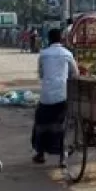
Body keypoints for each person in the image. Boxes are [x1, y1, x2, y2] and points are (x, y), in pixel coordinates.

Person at [32, 28, 79, 165]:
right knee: (62, 126)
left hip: (45, 97)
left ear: (49, 39)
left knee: (40, 123)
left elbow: (41, 74)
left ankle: (40, 153)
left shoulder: (43, 54)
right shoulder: (67, 54)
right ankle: (62, 157)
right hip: (62, 96)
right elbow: (75, 74)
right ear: (62, 39)